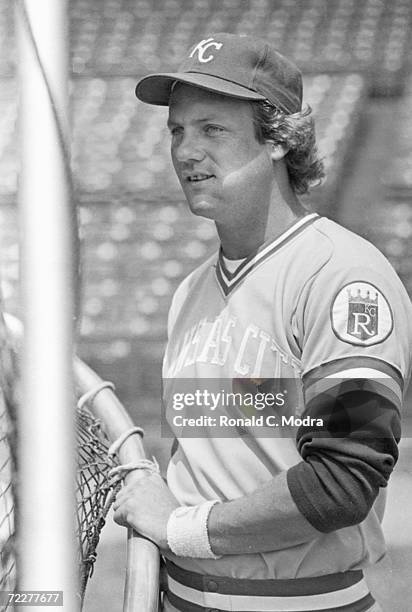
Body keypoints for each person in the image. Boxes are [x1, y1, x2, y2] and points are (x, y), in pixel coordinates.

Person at [113, 33, 412, 612]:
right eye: (177, 130)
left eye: (212, 129)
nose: (185, 151)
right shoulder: (191, 291)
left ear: (277, 138)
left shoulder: (342, 274)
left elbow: (343, 482)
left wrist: (178, 529)